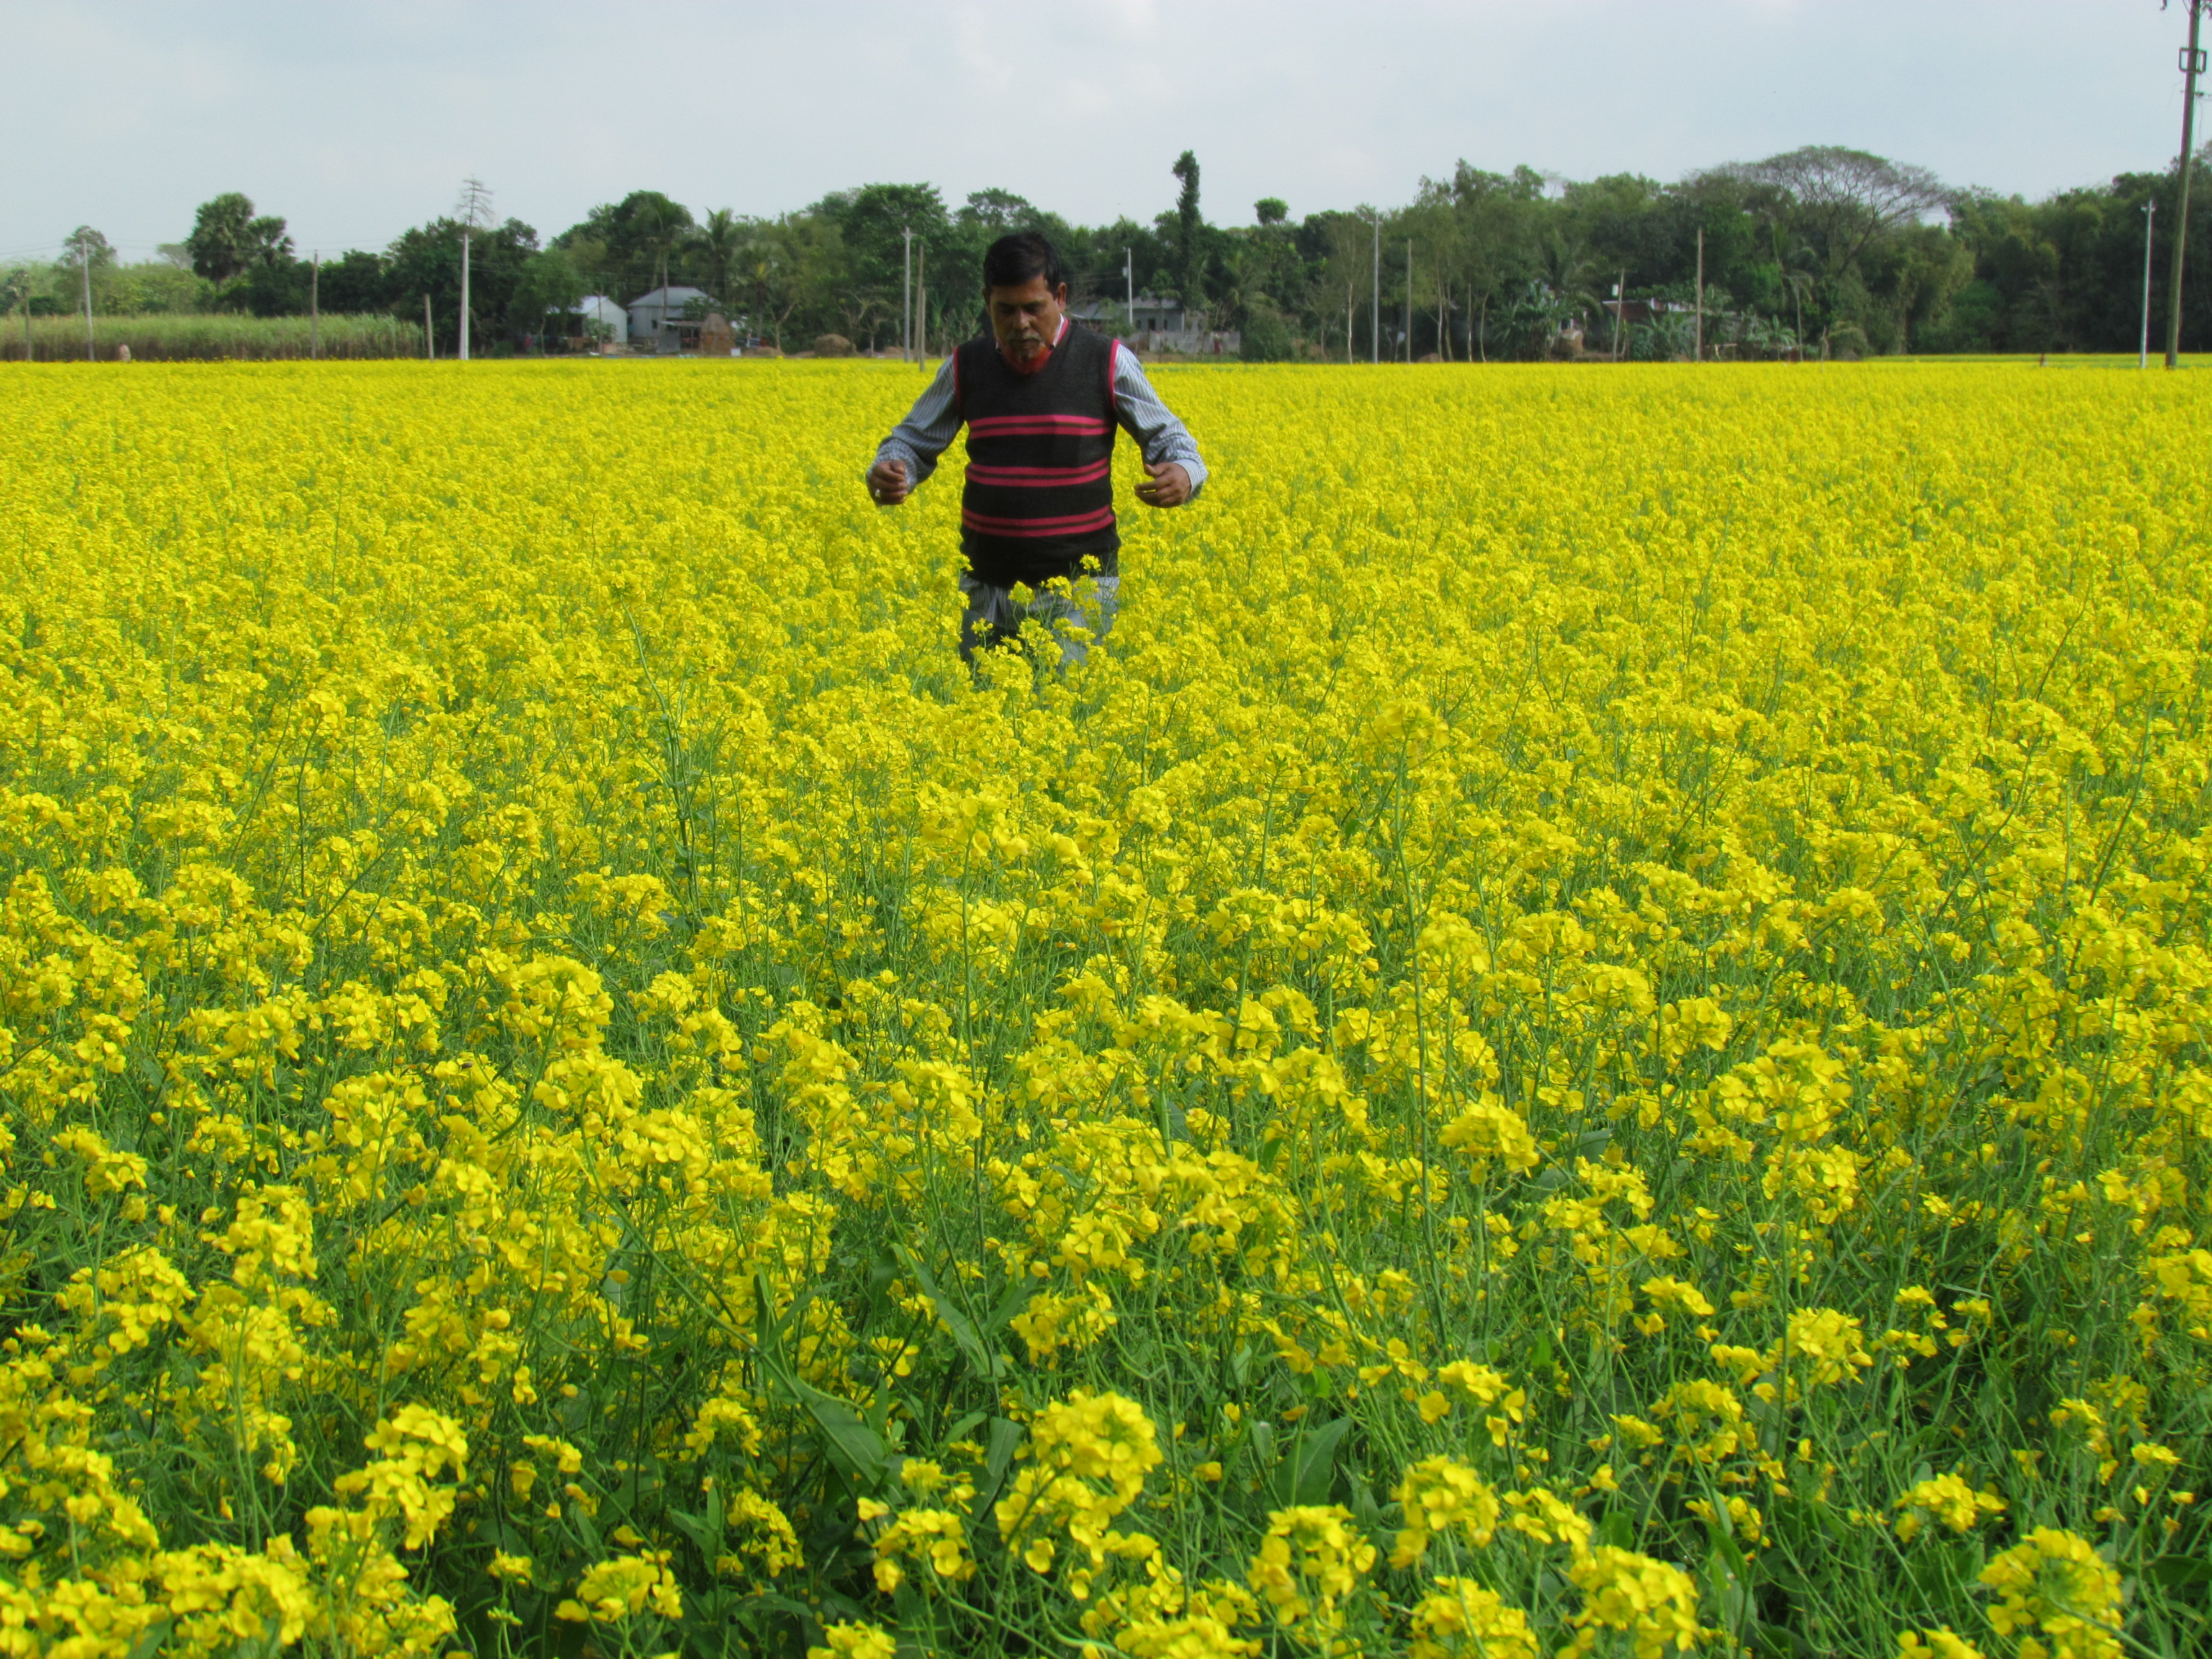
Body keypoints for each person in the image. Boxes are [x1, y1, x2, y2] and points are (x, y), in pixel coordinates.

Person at [866, 232, 1207, 665]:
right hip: (987, 587)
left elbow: (1172, 440)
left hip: (1079, 592)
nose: (1020, 323)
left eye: (1033, 308)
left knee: (1071, 719)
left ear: (1060, 297)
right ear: (986, 299)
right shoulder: (966, 365)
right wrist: (892, 469)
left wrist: (1183, 472)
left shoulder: (1105, 361)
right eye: (1005, 310)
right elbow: (910, 441)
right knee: (981, 723)